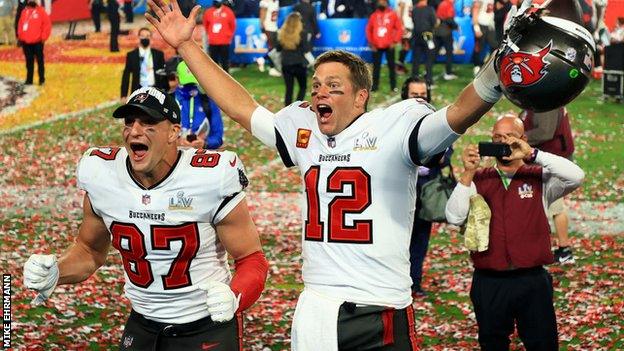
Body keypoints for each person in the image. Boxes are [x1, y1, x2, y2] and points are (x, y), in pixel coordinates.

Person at [145, 0, 519, 348]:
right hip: (318, 305)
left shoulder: (396, 125)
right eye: (317, 85)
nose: (320, 92)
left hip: (382, 302)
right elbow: (244, 108)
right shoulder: (303, 129)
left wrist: (495, 75)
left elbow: (456, 114)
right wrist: (188, 47)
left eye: (333, 86)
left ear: (361, 97)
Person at [23, 86, 268, 351]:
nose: (135, 131)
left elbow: (252, 258)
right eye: (129, 122)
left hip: (205, 327)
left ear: (174, 132)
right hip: (142, 325)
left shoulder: (210, 177)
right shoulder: (103, 174)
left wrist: (235, 295)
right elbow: (90, 250)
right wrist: (57, 272)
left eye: (149, 122)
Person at [445, 114, 584, 350]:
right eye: (497, 137)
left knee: (543, 344)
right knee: (492, 344)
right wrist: (467, 173)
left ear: (522, 139)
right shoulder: (479, 178)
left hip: (531, 279)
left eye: (509, 137)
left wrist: (533, 154)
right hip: (489, 280)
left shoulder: (539, 177)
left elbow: (577, 176)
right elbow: (454, 217)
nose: (502, 142)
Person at [400, 76, 453, 298]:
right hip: (401, 188)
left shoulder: (436, 119)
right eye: (415, 95)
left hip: (426, 186)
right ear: (405, 96)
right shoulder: (395, 119)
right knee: (399, 238)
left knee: (421, 238)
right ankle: (398, 281)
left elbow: (447, 153)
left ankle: (415, 281)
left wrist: (437, 156)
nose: (420, 99)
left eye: (423, 95)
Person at [520, 107, 576, 264]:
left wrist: (520, 139)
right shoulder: (543, 100)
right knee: (548, 204)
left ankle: (564, 249)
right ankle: (561, 249)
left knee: (554, 205)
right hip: (550, 158)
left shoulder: (547, 103)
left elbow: (545, 131)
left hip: (553, 159)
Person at [176, 60, 224, 149]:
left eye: (193, 83)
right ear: (177, 78)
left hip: (200, 158)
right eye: (186, 84)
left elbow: (218, 137)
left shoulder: (208, 102)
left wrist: (204, 144)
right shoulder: (168, 101)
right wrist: (176, 142)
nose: (191, 88)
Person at [120, 27, 167, 101]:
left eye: (147, 36)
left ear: (151, 38)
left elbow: (163, 73)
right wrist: (123, 95)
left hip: (156, 91)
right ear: (138, 37)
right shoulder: (131, 55)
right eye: (142, 36)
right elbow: (126, 75)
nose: (145, 38)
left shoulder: (158, 54)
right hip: (138, 91)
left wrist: (166, 90)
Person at [366, 0, 402, 92]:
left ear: (387, 3)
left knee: (391, 66)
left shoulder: (392, 14)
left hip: (389, 45)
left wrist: (395, 41)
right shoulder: (374, 15)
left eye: (383, 1)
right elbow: (368, 30)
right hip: (376, 46)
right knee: (376, 67)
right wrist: (371, 43)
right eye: (379, 2)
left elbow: (399, 28)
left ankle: (393, 86)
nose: (381, 3)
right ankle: (374, 87)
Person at [277, 12, 311, 106]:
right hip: (299, 64)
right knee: (303, 87)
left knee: (289, 89)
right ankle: (297, 107)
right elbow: (306, 49)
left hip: (286, 64)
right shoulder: (302, 33)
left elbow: (277, 48)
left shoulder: (282, 33)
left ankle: (287, 109)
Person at [17, 0, 50, 85]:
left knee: (40, 61)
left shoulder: (41, 11)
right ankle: (29, 80)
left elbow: (47, 25)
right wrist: (21, 36)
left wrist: (43, 37)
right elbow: (20, 24)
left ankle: (41, 79)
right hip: (26, 42)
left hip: (38, 42)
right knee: (29, 61)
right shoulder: (24, 12)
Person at [203, 0, 236, 73]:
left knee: (225, 60)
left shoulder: (228, 11)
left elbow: (232, 25)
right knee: (213, 60)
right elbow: (206, 25)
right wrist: (210, 35)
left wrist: (228, 35)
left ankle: (227, 75)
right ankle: (215, 76)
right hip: (213, 41)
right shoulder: (208, 12)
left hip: (224, 41)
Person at [411, 0, 437, 86]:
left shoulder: (414, 10)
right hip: (427, 35)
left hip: (416, 35)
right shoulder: (430, 9)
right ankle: (429, 79)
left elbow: (414, 21)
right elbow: (434, 22)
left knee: (416, 58)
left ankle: (414, 78)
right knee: (429, 58)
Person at [471, 0, 497, 75]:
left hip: (491, 25)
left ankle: (491, 67)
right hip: (481, 24)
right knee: (480, 47)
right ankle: (477, 66)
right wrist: (476, 28)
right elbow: (475, 11)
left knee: (494, 46)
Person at [435, 0, 458, 81]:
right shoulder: (448, 4)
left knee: (434, 52)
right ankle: (448, 73)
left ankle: (428, 71)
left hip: (438, 30)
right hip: (446, 31)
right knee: (449, 52)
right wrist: (456, 26)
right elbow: (449, 19)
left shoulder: (442, 3)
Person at [258, 0, 281, 77]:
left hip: (274, 27)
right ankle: (272, 68)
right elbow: (262, 17)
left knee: (275, 49)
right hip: (268, 28)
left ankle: (264, 61)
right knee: (272, 49)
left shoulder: (276, 1)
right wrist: (263, 31)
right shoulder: (265, 2)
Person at [396, 0, 413, 75]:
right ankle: (399, 67)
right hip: (405, 25)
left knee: (407, 46)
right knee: (406, 46)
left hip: (410, 24)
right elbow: (400, 10)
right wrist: (401, 25)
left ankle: (400, 65)